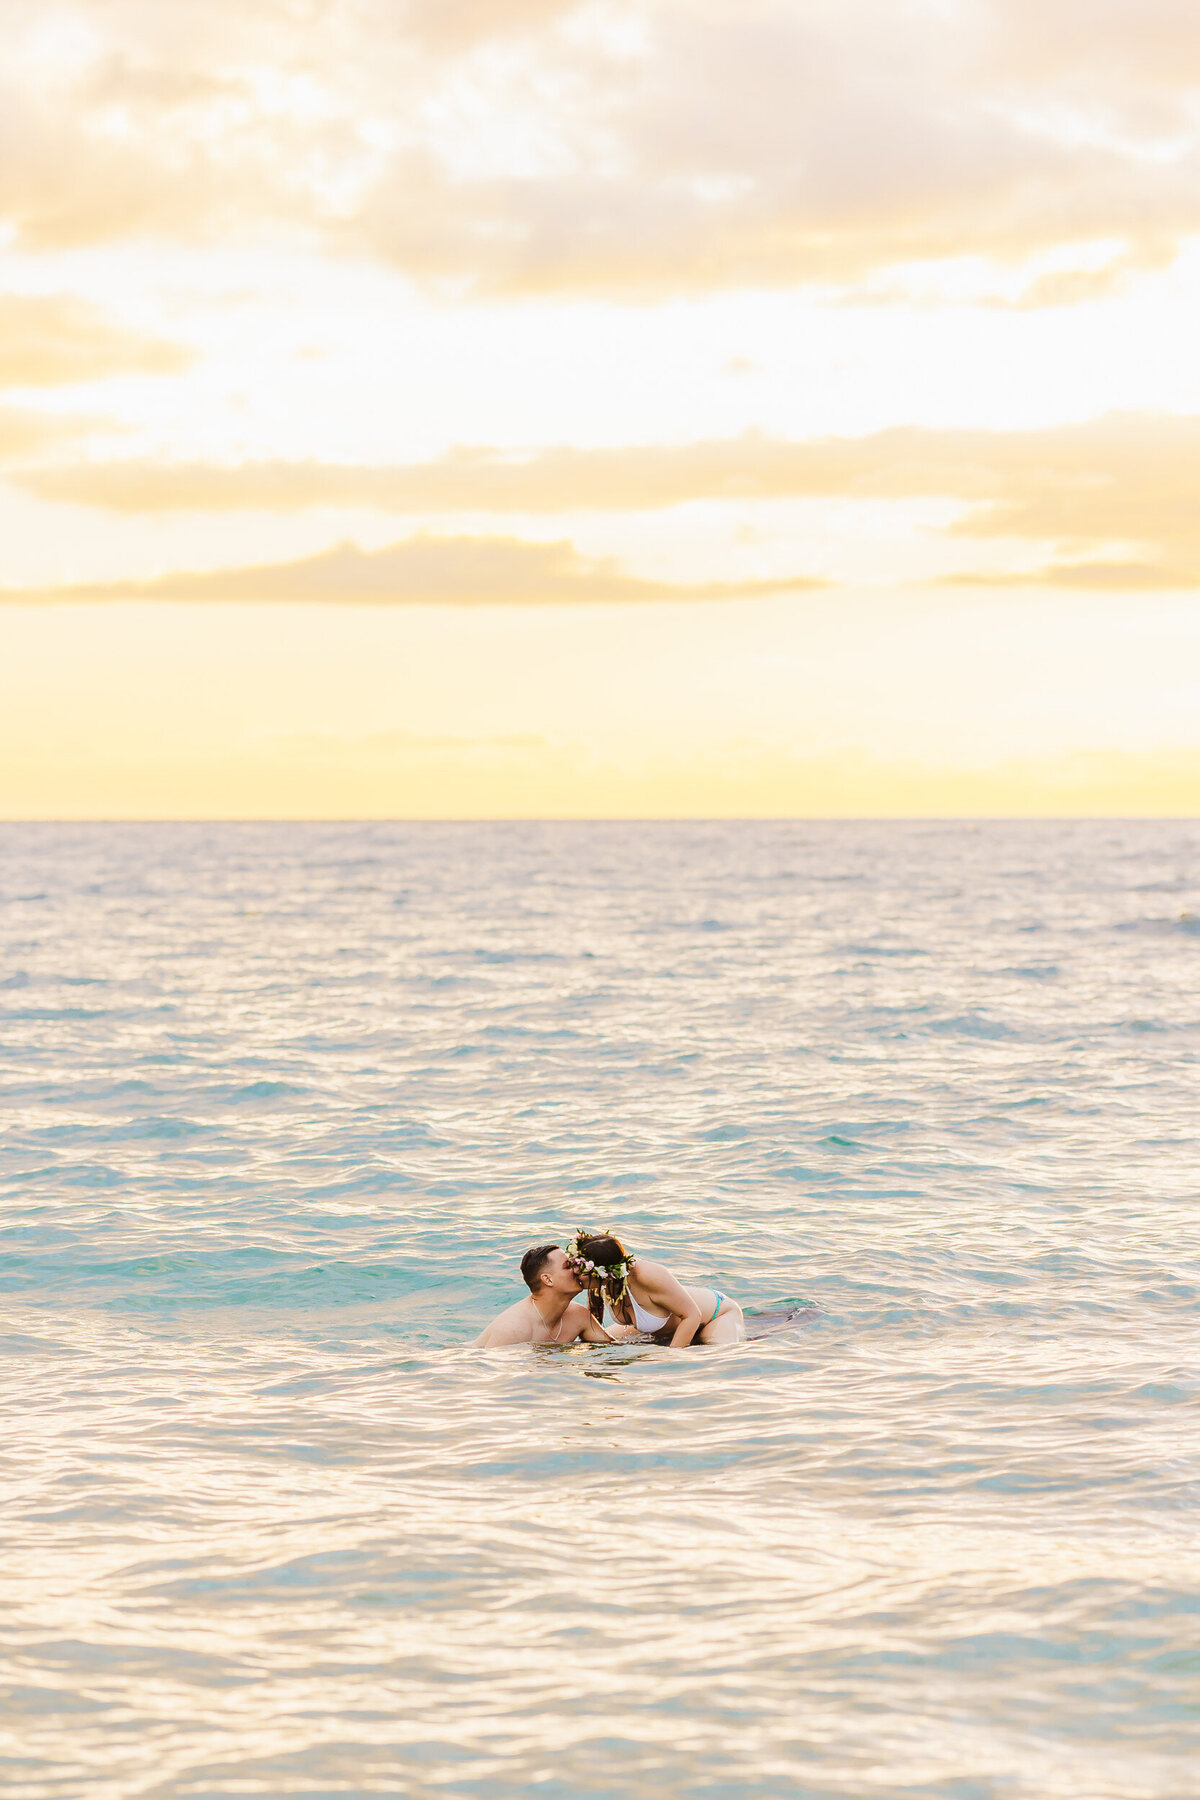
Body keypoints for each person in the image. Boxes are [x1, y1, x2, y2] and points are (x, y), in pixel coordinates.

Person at [565, 1231, 745, 1346]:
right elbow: (592, 1331)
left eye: (579, 1269)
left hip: (715, 1315)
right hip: (662, 1329)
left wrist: (670, 1361)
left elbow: (693, 1315)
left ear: (601, 1272)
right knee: (599, 1343)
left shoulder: (646, 1275)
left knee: (717, 1352)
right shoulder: (602, 1284)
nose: (573, 1273)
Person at [474, 1243, 616, 1347]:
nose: (577, 1270)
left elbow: (613, 1351)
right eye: (568, 1266)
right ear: (548, 1279)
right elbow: (493, 1377)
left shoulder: (578, 1316)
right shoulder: (514, 1329)